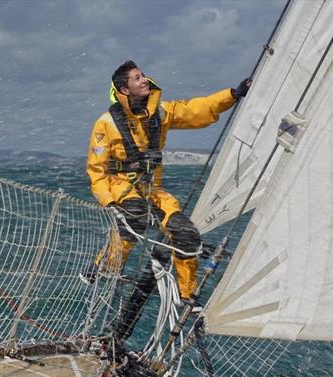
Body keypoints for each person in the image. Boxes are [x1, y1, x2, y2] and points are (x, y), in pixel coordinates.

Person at [84, 60, 251, 302]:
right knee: (136, 213)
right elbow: (96, 168)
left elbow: (196, 110)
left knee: (186, 234)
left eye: (143, 75)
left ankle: (187, 295)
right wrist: (108, 201)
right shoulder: (106, 123)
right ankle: (105, 267)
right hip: (120, 186)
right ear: (124, 89)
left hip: (152, 189)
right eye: (137, 78)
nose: (144, 80)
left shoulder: (161, 112)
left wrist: (232, 95)